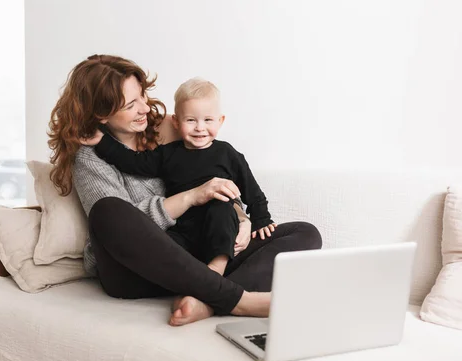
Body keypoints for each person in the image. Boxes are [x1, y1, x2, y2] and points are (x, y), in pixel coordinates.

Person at [47, 54, 322, 326]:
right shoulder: (89, 159)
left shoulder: (169, 127)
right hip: (136, 269)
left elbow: (213, 174)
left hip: (198, 251)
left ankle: (205, 302)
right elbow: (124, 228)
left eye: (142, 95)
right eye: (132, 104)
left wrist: (241, 219)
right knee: (107, 210)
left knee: (304, 234)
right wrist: (191, 197)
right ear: (101, 114)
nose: (145, 108)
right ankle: (238, 301)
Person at [87, 77, 275, 278]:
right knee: (165, 242)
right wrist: (103, 142)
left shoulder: (228, 154)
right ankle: (205, 280)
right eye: (191, 120)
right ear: (176, 122)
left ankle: (215, 272)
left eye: (208, 120)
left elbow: (252, 192)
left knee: (221, 209)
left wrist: (260, 220)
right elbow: (134, 162)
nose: (199, 128)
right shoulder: (167, 153)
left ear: (220, 121)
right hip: (184, 226)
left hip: (221, 222)